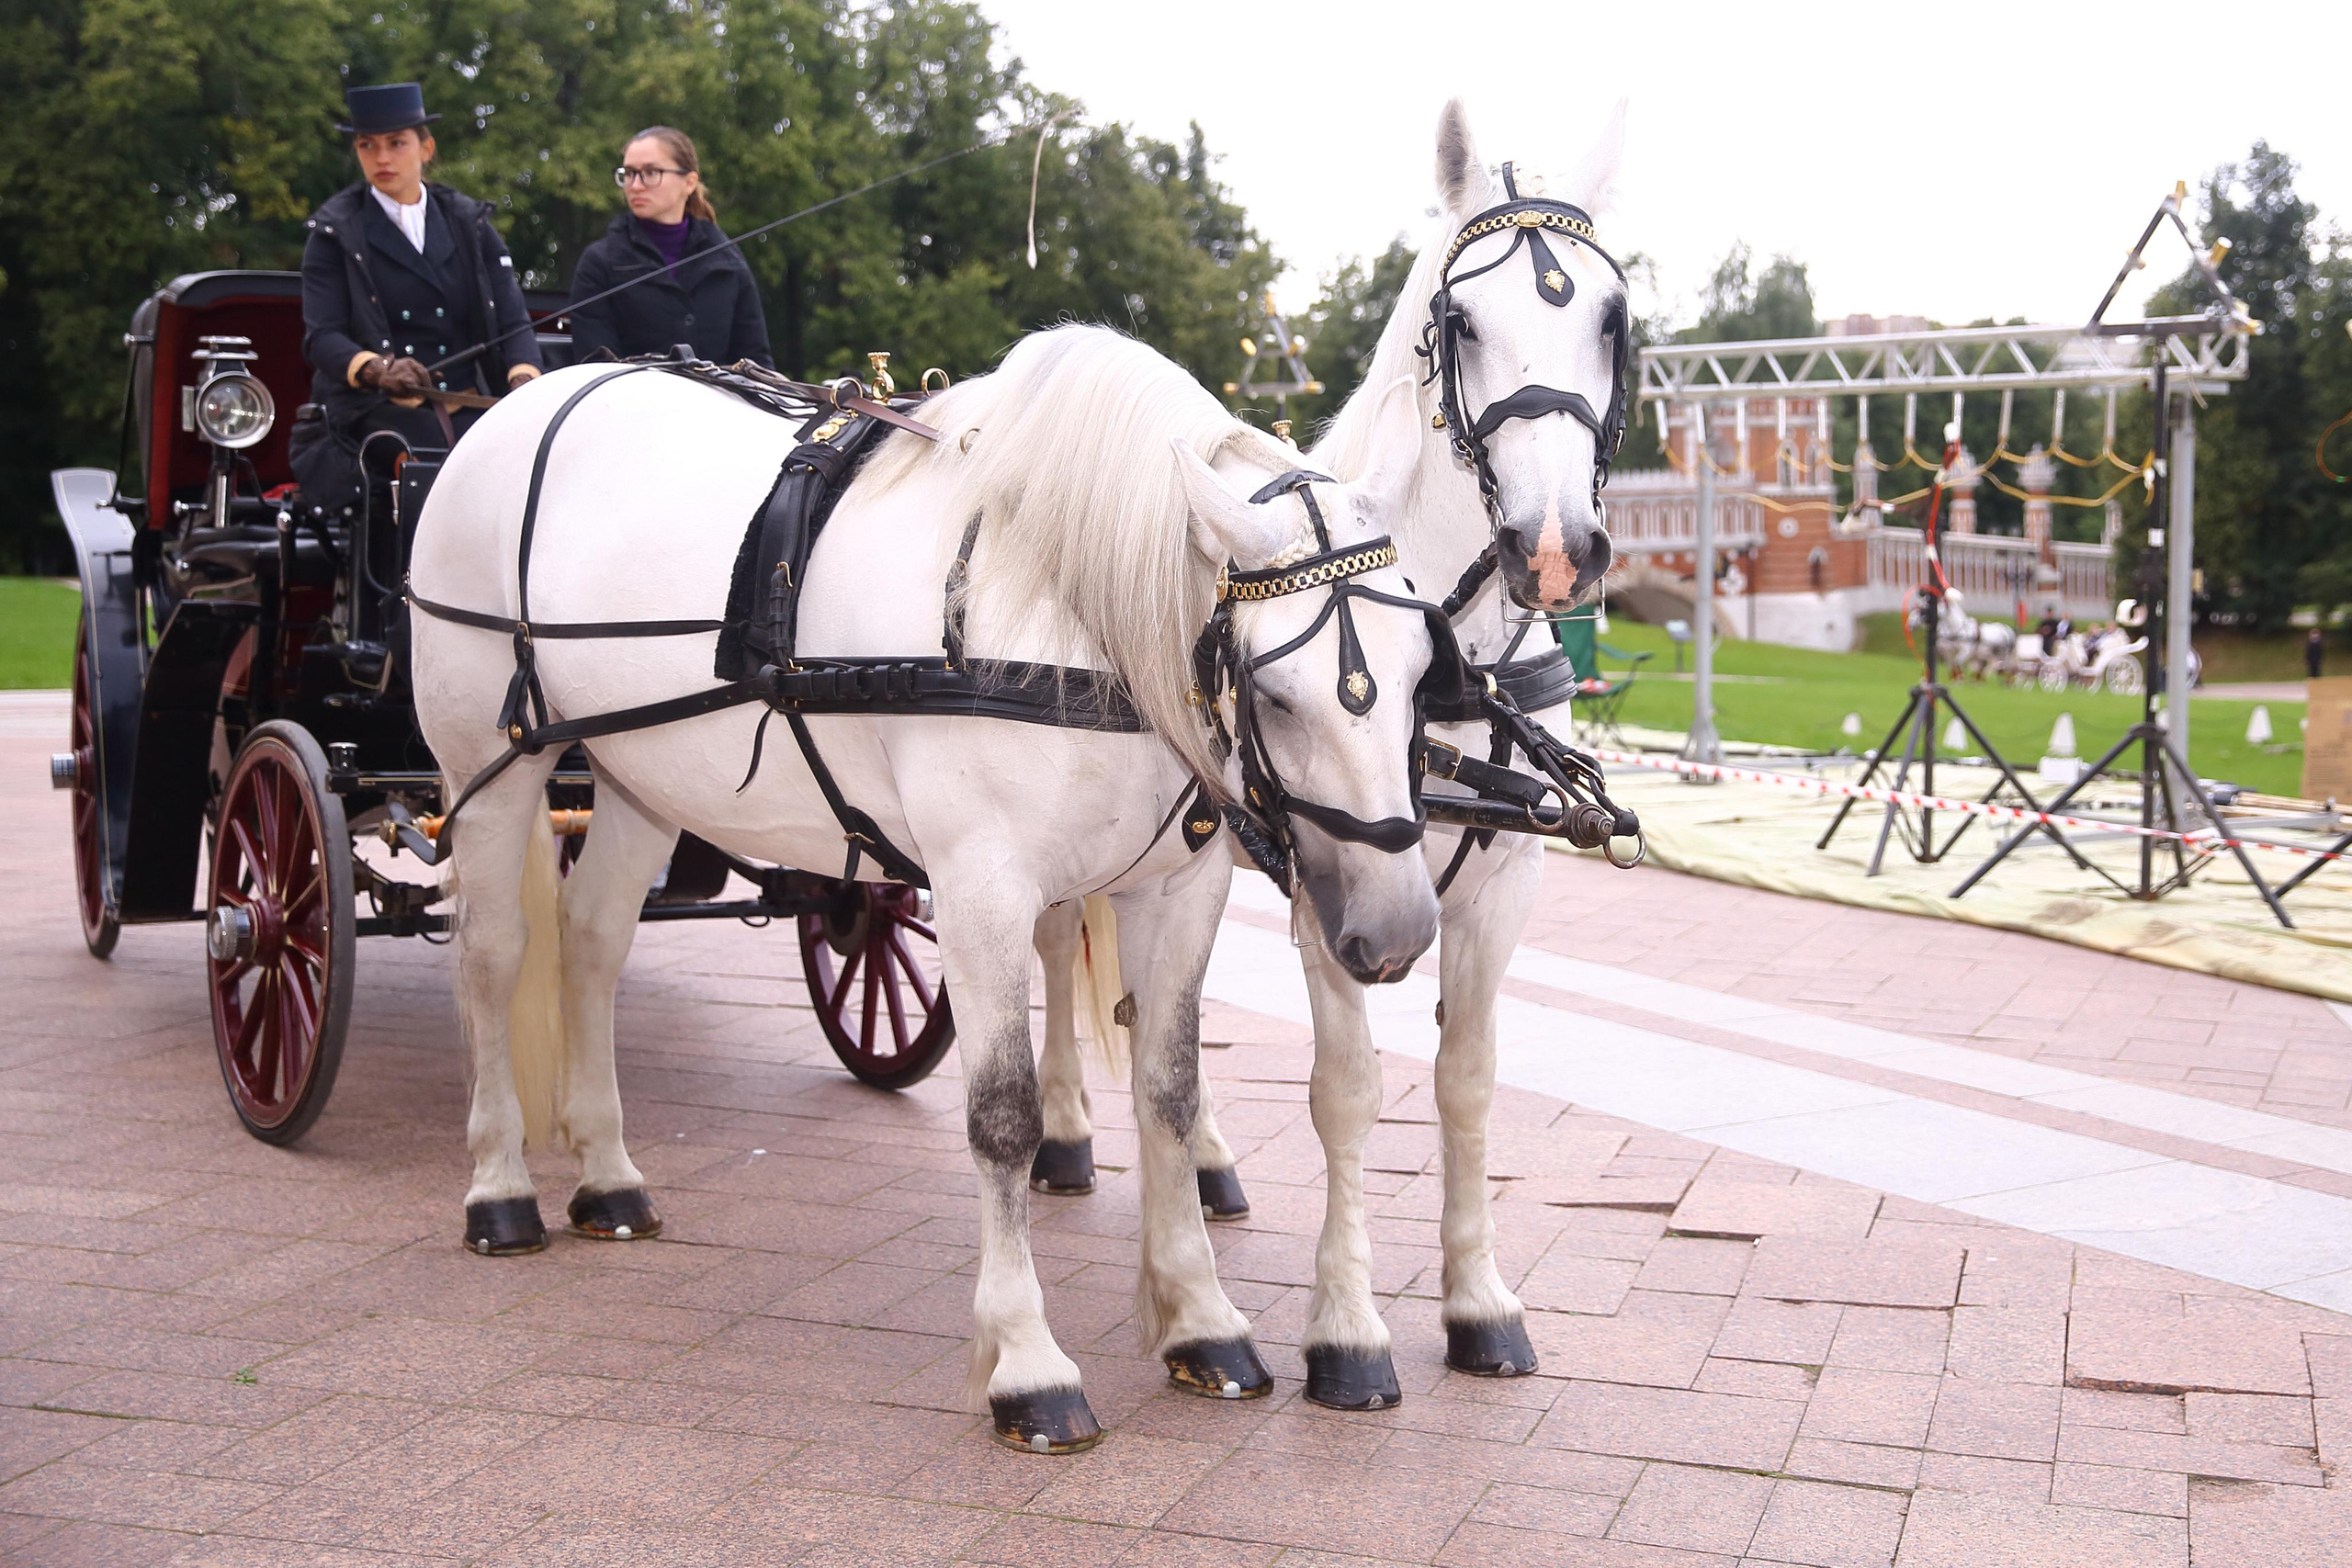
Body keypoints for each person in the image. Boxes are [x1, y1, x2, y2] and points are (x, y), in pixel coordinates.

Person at [297, 81, 542, 472]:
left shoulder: (471, 224)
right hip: (379, 409)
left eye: (396, 143)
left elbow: (513, 323)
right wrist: (378, 370)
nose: (382, 158)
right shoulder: (333, 234)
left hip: (471, 403)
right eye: (367, 145)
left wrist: (523, 379)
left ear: (426, 149)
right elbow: (323, 338)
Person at [565, 126, 773, 367]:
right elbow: (595, 366)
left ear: (689, 182)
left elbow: (756, 362)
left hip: (715, 403)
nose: (635, 185)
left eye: (651, 172)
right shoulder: (599, 262)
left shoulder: (729, 261)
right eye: (629, 173)